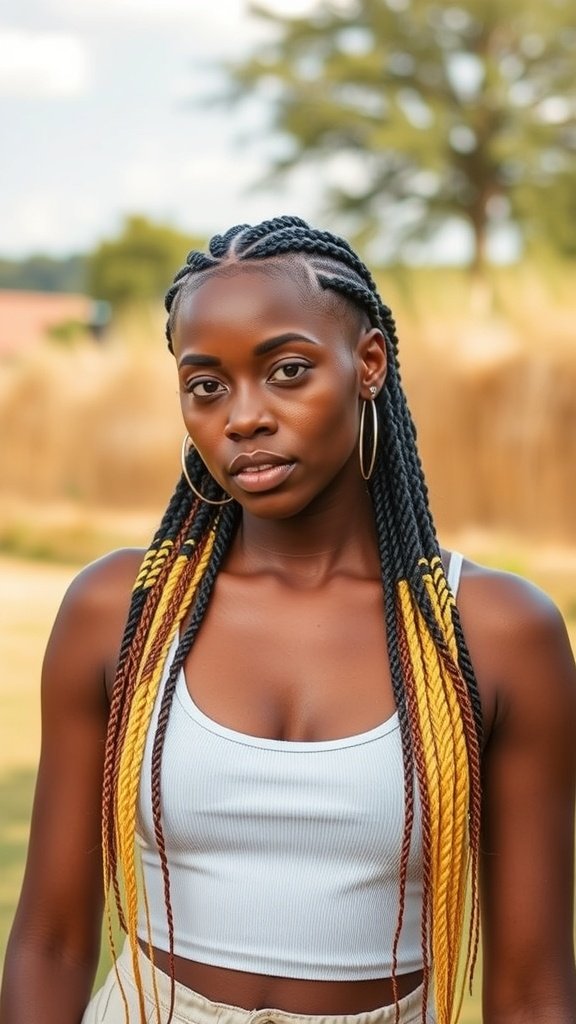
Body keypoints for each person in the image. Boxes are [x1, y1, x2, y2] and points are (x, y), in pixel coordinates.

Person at [1, 215, 575, 1024]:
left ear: (368, 363)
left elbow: (533, 988)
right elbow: (52, 942)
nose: (243, 418)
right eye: (207, 386)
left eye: (289, 371)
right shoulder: (122, 612)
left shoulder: (494, 635)